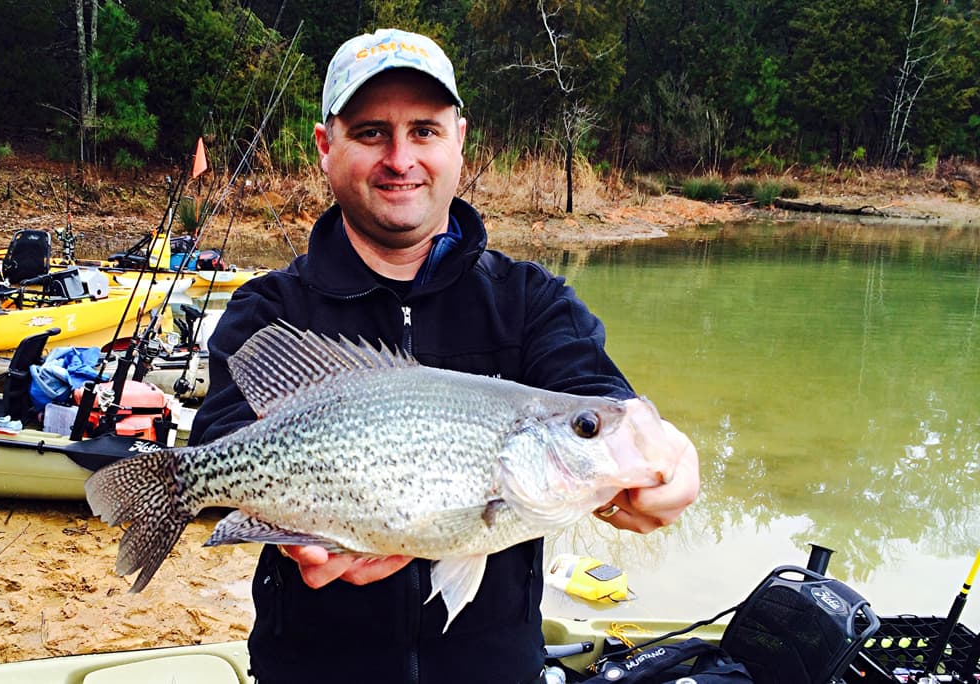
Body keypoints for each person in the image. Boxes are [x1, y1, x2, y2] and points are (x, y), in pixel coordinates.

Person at [188, 27, 700, 684]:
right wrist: (294, 532)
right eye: (372, 132)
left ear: (460, 137)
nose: (401, 157)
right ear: (325, 146)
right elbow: (224, 438)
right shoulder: (269, 310)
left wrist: (663, 456)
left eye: (424, 130)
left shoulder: (531, 300)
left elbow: (596, 393)